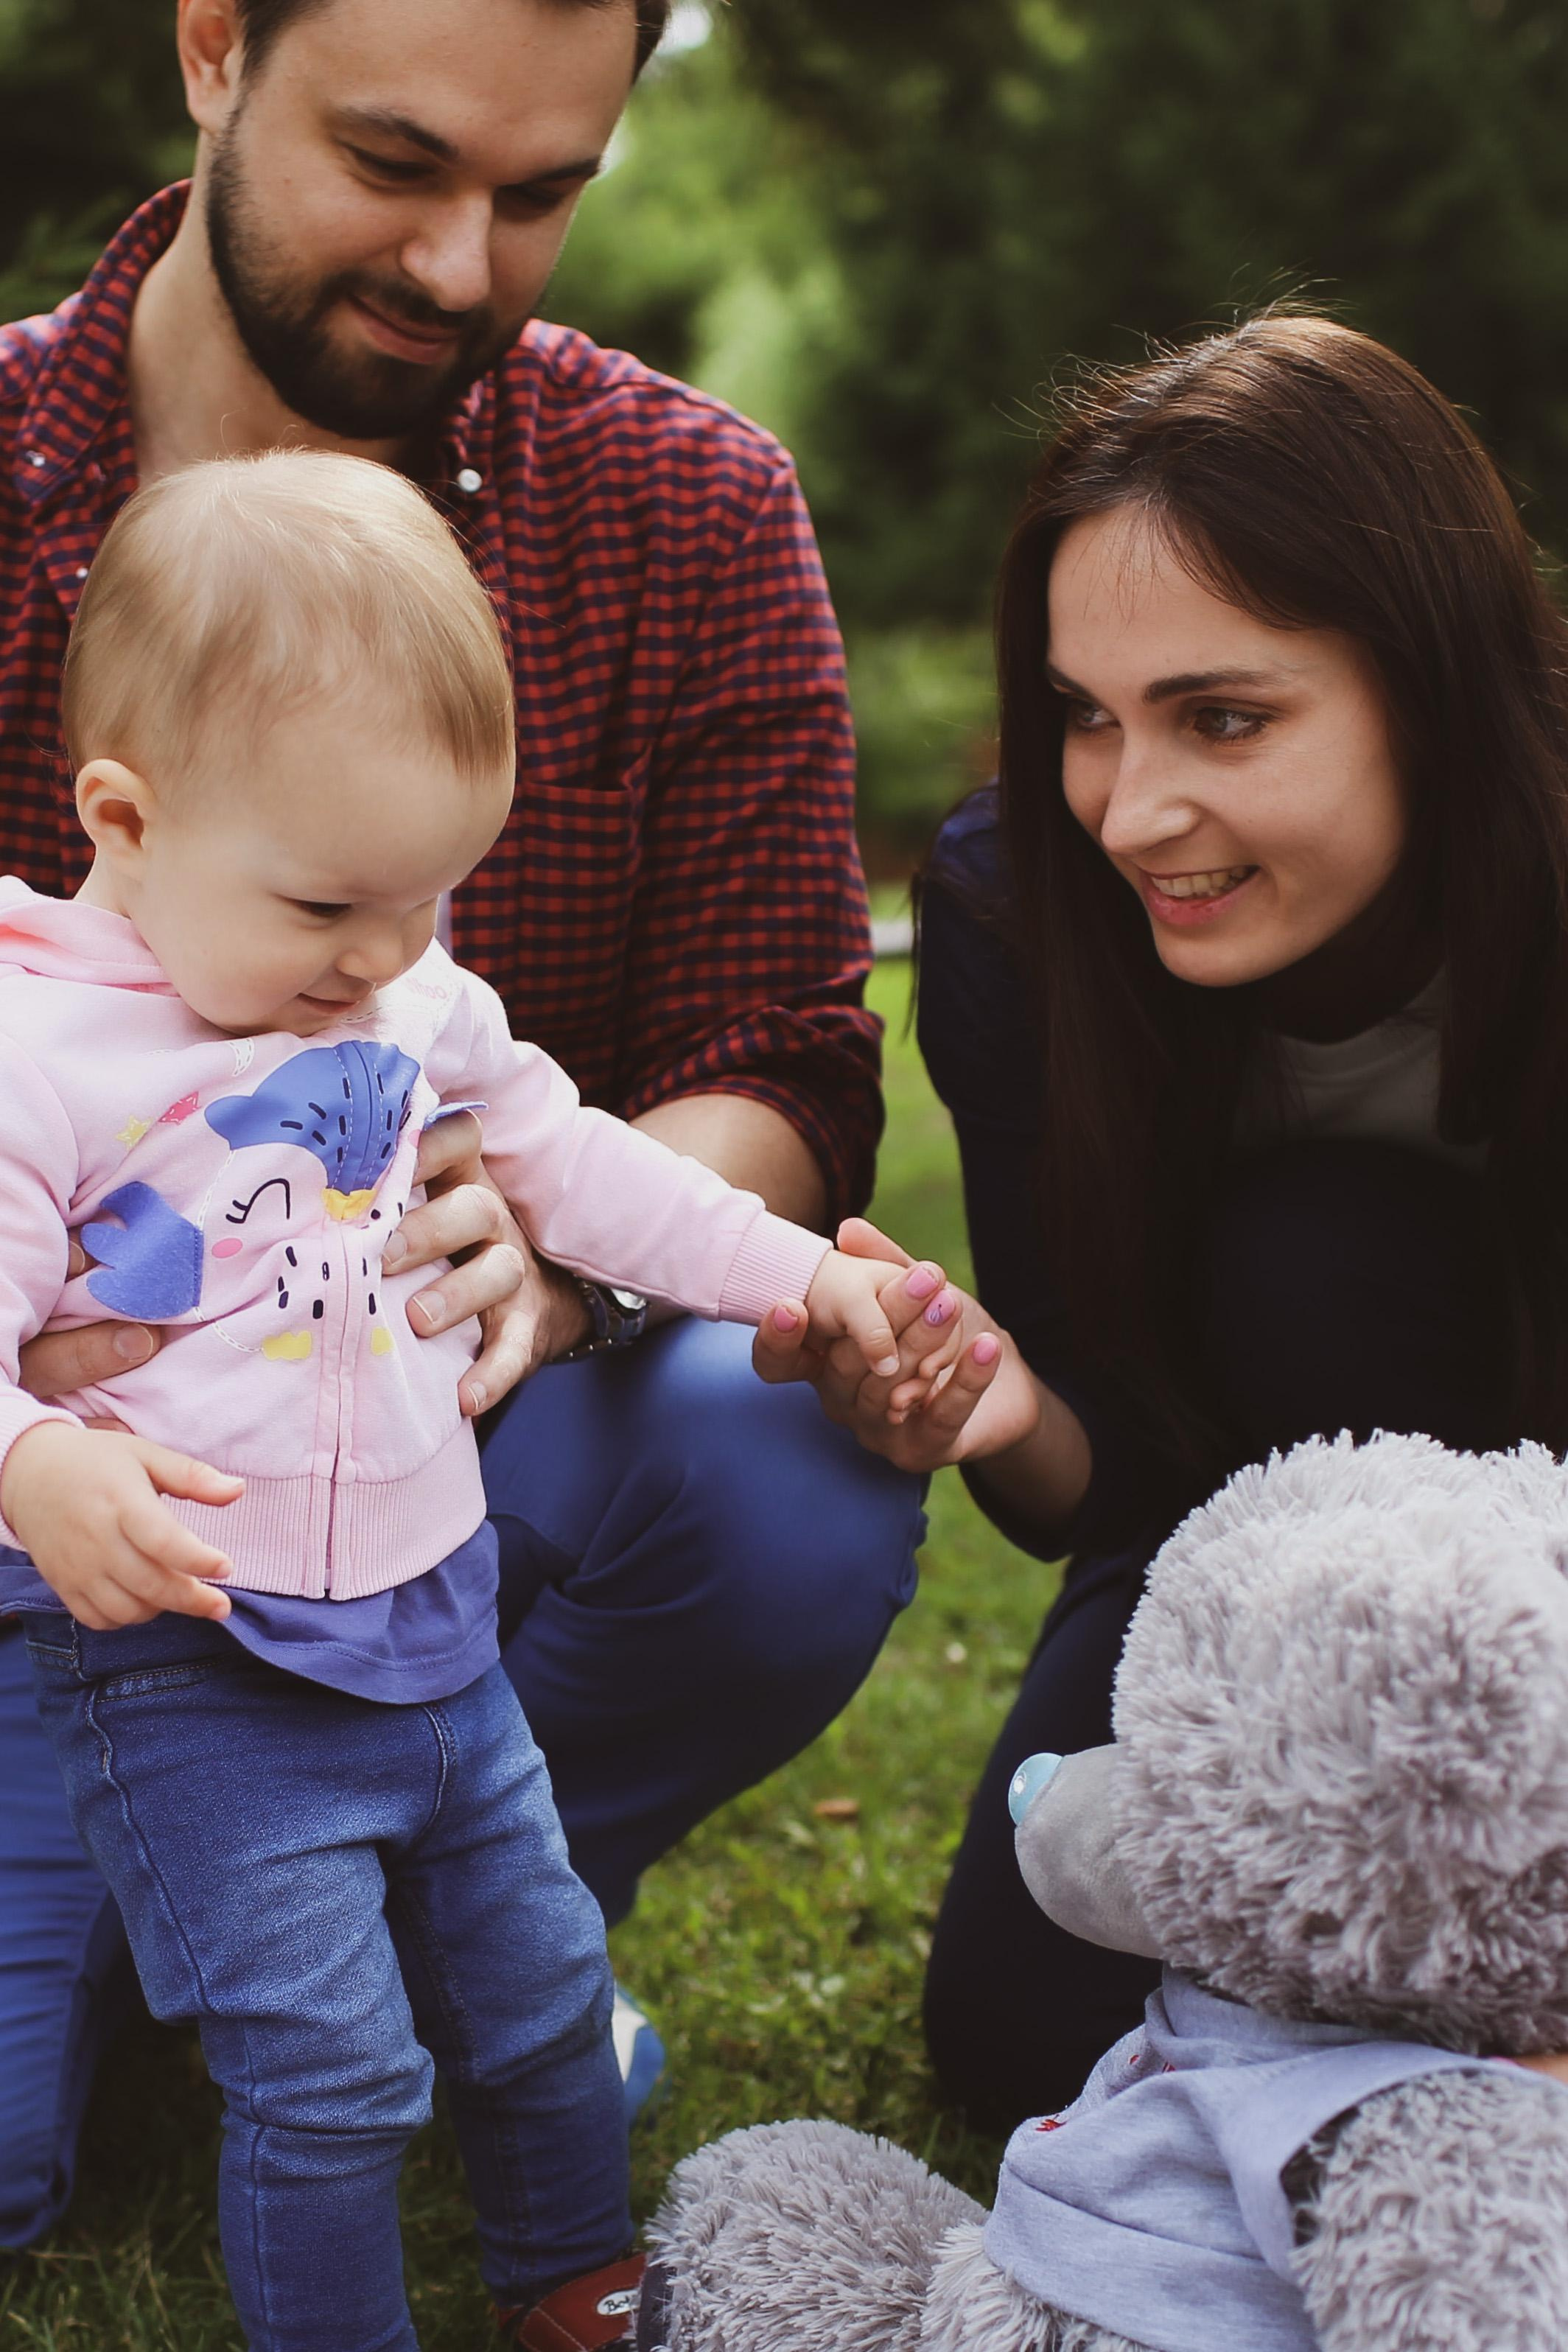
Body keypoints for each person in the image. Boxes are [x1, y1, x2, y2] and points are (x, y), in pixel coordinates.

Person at [0, 0, 926, 2246]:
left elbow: (778, 1052)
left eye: (541, 192)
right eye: (394, 161)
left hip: (428, 1430)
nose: (455, 262)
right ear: (213, 47)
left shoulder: (691, 512)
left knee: (786, 1452)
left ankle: (411, 1931)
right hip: (60, 1453)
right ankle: (145, 1973)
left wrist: (573, 1236)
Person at [756, 312, 1568, 2126]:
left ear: (1428, 686)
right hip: (1227, 1563)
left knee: (1335, 1241)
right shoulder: (1012, 919)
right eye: (1084, 720)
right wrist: (992, 1409)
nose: (1131, 812)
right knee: (1031, 2044)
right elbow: (1109, 1492)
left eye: (1222, 717)